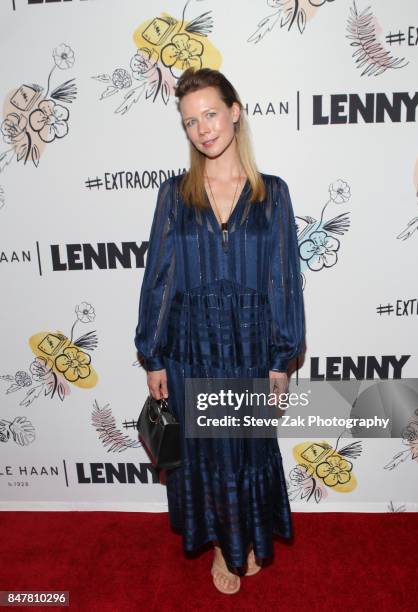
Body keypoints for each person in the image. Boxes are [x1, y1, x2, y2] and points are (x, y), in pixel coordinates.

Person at [135, 67, 305, 595]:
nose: (203, 128)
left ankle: (249, 538)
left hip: (252, 350)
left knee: (249, 449)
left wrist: (281, 361)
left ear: (235, 111)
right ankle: (220, 548)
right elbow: (159, 277)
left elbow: (283, 281)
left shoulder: (272, 194)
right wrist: (154, 356)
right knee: (207, 453)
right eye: (190, 121)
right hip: (193, 350)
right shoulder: (174, 194)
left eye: (210, 113)